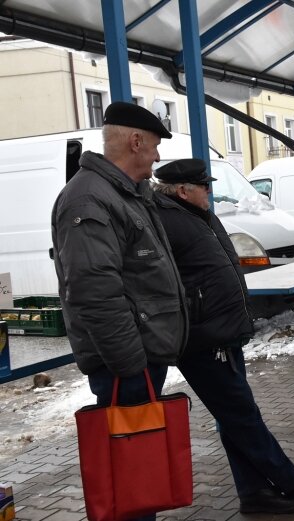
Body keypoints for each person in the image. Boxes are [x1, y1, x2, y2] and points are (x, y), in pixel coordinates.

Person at [151, 159, 294, 515]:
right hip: (203, 339)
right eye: (204, 186)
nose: (210, 191)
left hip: (222, 332)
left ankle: (253, 492)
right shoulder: (167, 220)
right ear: (182, 190)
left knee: (234, 417)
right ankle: (292, 482)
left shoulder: (197, 214)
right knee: (242, 416)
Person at [50, 101, 188, 521]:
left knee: (140, 474)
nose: (159, 156)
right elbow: (94, 293)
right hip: (126, 365)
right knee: (130, 479)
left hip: (139, 359)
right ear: (135, 141)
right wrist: (131, 365)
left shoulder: (124, 194)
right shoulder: (90, 199)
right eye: (156, 146)